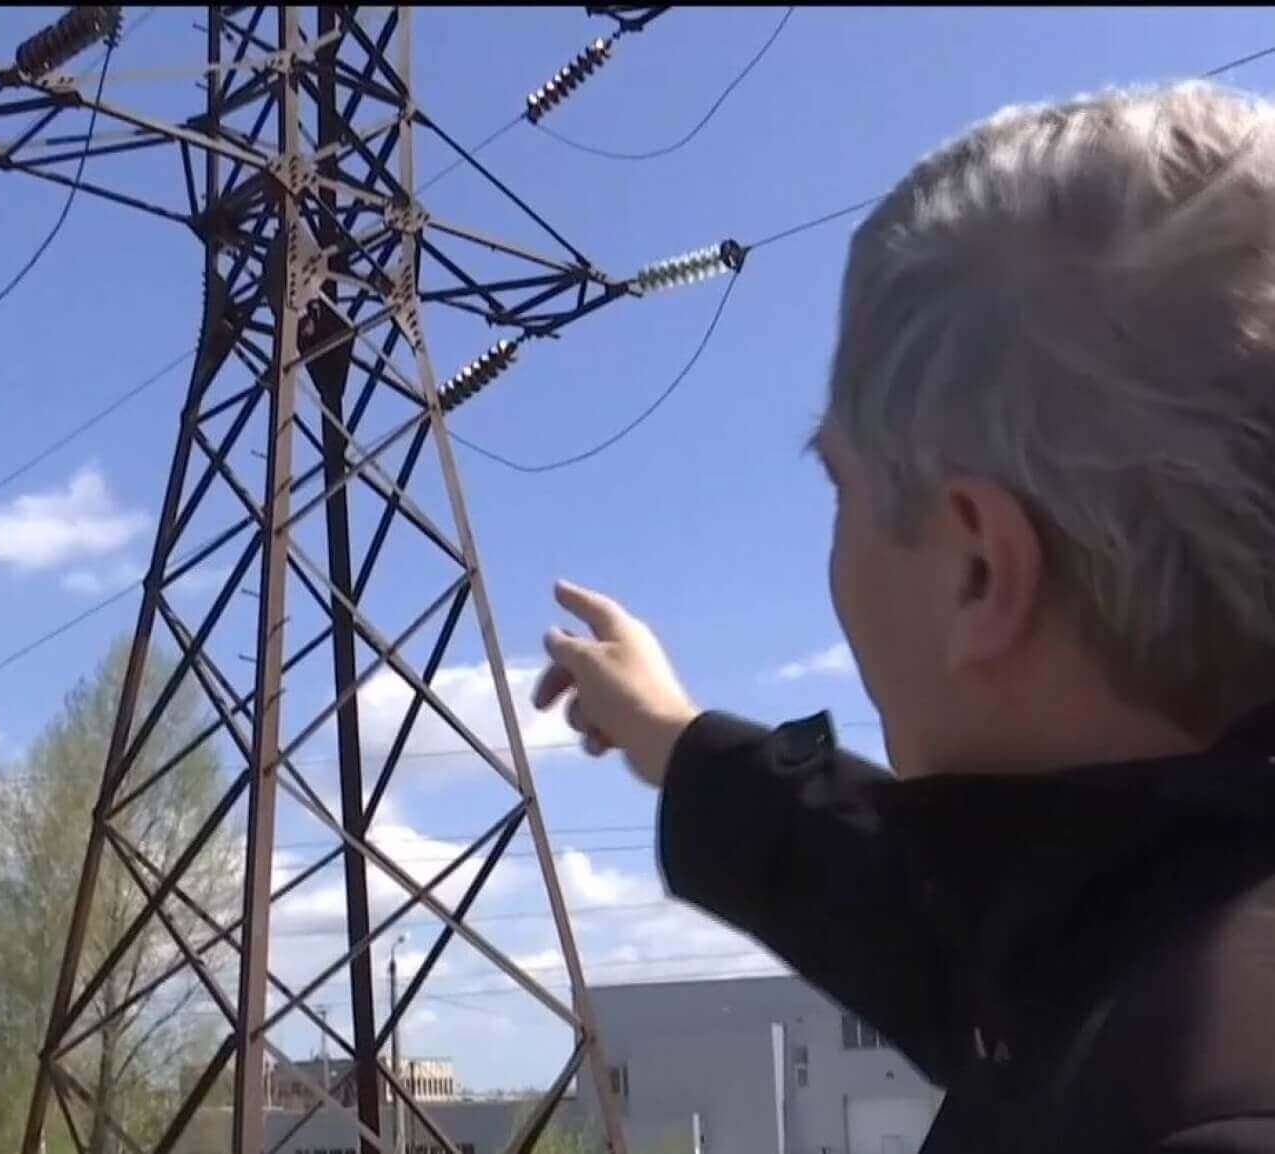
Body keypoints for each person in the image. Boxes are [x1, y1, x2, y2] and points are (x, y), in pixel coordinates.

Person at [535, 81, 1275, 1154]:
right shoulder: (1141, 929)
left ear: (978, 568)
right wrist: (665, 731)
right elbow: (888, 891)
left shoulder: (1182, 1104)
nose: (830, 553)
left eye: (839, 489)